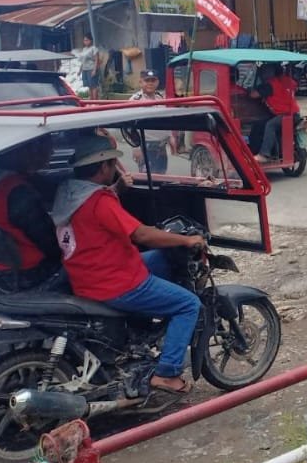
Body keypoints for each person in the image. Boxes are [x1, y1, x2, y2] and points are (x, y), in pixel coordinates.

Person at [51, 134, 205, 394]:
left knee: (158, 258)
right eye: (112, 164)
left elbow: (95, 215)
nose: (114, 168)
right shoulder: (99, 201)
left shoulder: (69, 193)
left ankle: (142, 328)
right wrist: (186, 240)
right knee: (188, 304)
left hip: (87, 274)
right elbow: (141, 235)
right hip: (117, 282)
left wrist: (116, 190)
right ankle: (167, 372)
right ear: (103, 168)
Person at [0, 136, 64, 292]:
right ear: (29, 149)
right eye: (48, 145)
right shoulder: (16, 192)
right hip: (21, 273)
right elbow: (50, 243)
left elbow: (44, 186)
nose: (52, 152)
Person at [128, 70, 178, 174]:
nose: (150, 83)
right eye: (147, 81)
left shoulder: (161, 98)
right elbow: (129, 125)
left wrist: (171, 137)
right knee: (147, 177)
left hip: (161, 146)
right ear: (141, 82)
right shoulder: (135, 100)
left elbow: (165, 120)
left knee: (161, 175)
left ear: (157, 82)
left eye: (153, 80)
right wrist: (135, 147)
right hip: (145, 145)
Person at [249, 64, 299, 163]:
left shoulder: (270, 85)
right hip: (295, 113)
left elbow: (253, 95)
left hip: (285, 114)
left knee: (270, 125)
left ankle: (264, 154)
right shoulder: (287, 80)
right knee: (259, 125)